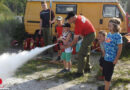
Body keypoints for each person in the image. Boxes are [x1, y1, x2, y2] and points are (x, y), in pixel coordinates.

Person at [62, 12, 96, 77]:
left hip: (89, 35)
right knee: (86, 52)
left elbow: (75, 41)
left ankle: (80, 73)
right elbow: (81, 32)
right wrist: (83, 37)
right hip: (89, 34)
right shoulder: (79, 18)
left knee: (81, 54)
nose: (69, 21)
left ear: (72, 18)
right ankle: (87, 68)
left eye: (69, 19)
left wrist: (66, 46)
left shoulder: (78, 23)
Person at [99, 18, 123, 90]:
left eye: (110, 26)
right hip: (105, 57)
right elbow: (107, 43)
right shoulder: (109, 34)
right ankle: (106, 86)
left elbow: (120, 49)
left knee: (108, 76)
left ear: (115, 27)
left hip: (111, 59)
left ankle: (107, 88)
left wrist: (116, 59)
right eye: (108, 26)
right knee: (104, 72)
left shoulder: (118, 36)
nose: (108, 27)